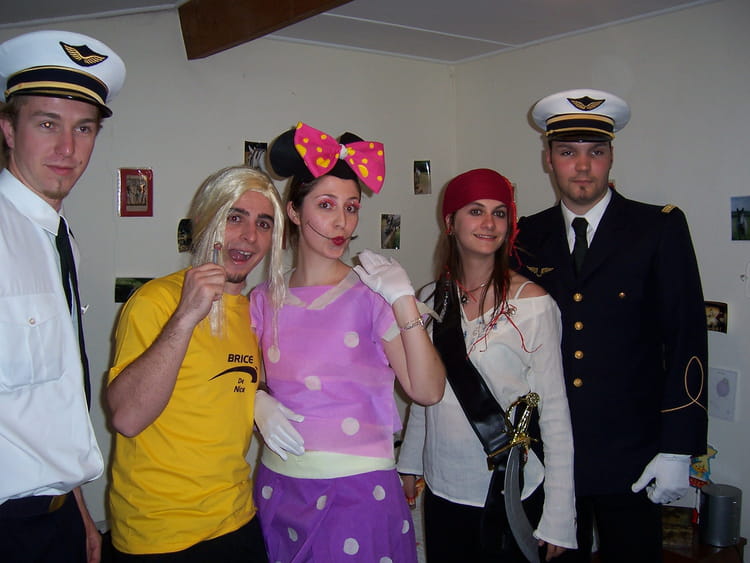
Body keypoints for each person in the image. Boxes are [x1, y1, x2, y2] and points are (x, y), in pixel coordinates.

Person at [516, 89, 708, 562]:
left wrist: (679, 448)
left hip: (634, 455)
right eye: (568, 152)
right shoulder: (526, 236)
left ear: (611, 157)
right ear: (548, 159)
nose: (583, 167)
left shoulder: (657, 228)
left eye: (596, 152)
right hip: (550, 454)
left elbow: (686, 339)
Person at [249, 122, 446, 562]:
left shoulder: (372, 295)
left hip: (358, 494)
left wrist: (403, 301)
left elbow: (428, 390)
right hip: (280, 488)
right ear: (294, 212)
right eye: (326, 205)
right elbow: (239, 382)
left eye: (351, 207)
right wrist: (254, 401)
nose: (342, 222)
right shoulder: (262, 301)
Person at [106, 166, 285, 561]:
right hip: (159, 533)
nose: (249, 235)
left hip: (237, 518)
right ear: (207, 220)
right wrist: (186, 316)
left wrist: (259, 397)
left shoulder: (256, 313)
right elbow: (127, 418)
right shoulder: (156, 302)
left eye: (263, 223)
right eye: (235, 217)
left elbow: (220, 388)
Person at [397, 168, 577, 563]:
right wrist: (409, 463)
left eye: (499, 213)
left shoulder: (534, 305)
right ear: (450, 222)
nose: (489, 223)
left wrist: (560, 516)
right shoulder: (429, 299)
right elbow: (427, 395)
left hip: (510, 490)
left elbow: (556, 415)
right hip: (443, 489)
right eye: (476, 211)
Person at [0, 30, 125, 563]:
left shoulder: (58, 236)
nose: (68, 149)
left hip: (56, 516)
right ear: (9, 128)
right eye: (47, 124)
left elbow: (50, 397)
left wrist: (78, 512)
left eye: (84, 128)